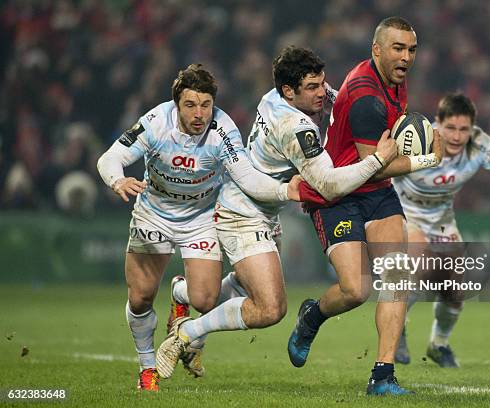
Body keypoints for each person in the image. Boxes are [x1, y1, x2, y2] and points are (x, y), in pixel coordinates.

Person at [154, 46, 399, 379]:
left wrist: (357, 111)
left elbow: (336, 99)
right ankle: (187, 335)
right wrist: (378, 160)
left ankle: (183, 293)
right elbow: (328, 185)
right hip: (243, 213)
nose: (320, 92)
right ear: (289, 90)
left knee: (236, 292)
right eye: (311, 87)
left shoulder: (274, 96)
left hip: (263, 211)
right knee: (270, 308)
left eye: (320, 83)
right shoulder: (294, 127)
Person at [96, 64, 300, 391]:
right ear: (176, 104)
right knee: (140, 298)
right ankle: (147, 366)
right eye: (190, 105)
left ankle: (181, 292)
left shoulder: (223, 128)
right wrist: (117, 180)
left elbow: (245, 176)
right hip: (154, 214)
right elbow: (109, 158)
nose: (199, 113)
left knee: (205, 301)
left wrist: (283, 190)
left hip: (202, 218)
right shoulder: (154, 122)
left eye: (205, 105)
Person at [287, 17, 444, 396]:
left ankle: (382, 375)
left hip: (377, 193)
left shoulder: (394, 81)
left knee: (396, 276)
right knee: (356, 288)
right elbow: (375, 165)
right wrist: (427, 159)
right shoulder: (367, 98)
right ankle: (313, 315)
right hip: (339, 194)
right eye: (398, 48)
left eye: (411, 49)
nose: (406, 57)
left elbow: (382, 167)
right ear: (377, 50)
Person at [392, 92, 490, 367]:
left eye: (463, 129)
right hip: (402, 211)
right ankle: (397, 329)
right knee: (420, 262)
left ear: (472, 128)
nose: (456, 136)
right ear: (437, 124)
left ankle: (438, 344)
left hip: (441, 217)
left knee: (456, 288)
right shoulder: (416, 139)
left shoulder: (479, 144)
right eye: (450, 128)